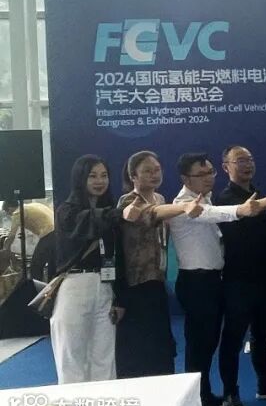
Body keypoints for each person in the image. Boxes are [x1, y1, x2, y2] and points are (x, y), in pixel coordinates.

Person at [171, 152, 266, 406]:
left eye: (210, 173)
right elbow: (217, 214)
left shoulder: (205, 198)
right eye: (201, 174)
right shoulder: (185, 204)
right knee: (198, 347)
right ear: (185, 178)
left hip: (211, 281)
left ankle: (205, 396)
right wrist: (249, 207)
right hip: (196, 282)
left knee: (208, 344)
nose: (208, 178)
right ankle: (200, 403)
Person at [217, 145, 266, 406]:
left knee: (263, 333)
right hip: (238, 281)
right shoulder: (225, 198)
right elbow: (239, 239)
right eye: (240, 160)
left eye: (250, 159)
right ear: (226, 167)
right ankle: (230, 393)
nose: (247, 165)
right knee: (233, 338)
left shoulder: (258, 194)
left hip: (262, 278)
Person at [115, 151, 200, 380]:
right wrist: (184, 207)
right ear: (133, 176)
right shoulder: (128, 202)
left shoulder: (160, 198)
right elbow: (152, 214)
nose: (154, 174)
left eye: (157, 170)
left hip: (157, 282)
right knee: (137, 348)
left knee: (161, 347)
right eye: (147, 171)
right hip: (134, 285)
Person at [51, 155, 126, 384]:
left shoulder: (108, 211)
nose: (99, 181)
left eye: (104, 175)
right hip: (75, 286)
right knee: (71, 355)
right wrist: (121, 212)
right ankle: (75, 405)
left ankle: (105, 404)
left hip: (105, 287)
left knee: (104, 357)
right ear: (80, 178)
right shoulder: (67, 211)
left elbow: (117, 256)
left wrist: (119, 297)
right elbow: (90, 222)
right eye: (92, 176)